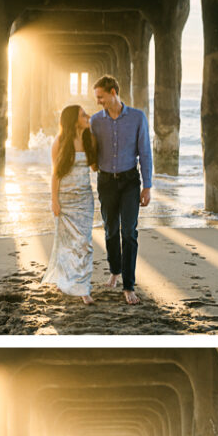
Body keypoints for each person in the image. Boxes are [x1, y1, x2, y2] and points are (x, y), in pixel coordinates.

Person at [90, 75, 152, 306]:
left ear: (113, 92)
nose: (98, 102)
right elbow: (89, 151)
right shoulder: (95, 121)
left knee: (129, 232)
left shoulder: (137, 117)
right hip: (105, 181)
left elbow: (145, 152)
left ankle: (129, 285)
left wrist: (147, 186)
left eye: (101, 97)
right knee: (111, 231)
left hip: (129, 182)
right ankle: (115, 271)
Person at [42, 105, 98, 304]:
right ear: (74, 120)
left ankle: (83, 288)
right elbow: (56, 174)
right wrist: (54, 201)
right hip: (65, 200)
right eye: (83, 115)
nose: (87, 117)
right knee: (66, 244)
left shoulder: (89, 139)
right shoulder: (59, 142)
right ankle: (65, 281)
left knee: (85, 244)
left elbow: (94, 166)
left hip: (84, 199)